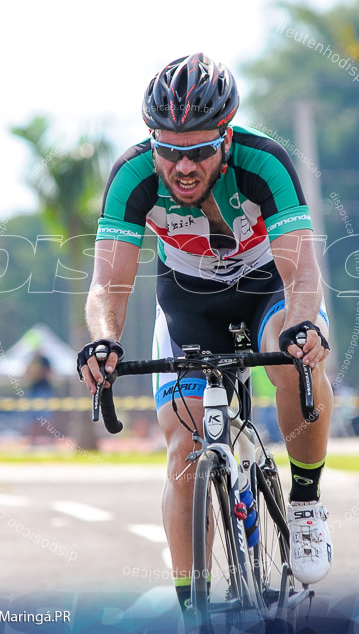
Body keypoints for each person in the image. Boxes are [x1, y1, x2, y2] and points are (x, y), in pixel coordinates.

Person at [77, 53, 335, 612]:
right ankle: (193, 610)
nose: (182, 165)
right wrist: (103, 342)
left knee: (292, 361)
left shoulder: (265, 162)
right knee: (184, 451)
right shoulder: (133, 175)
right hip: (188, 303)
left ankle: (307, 505)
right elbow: (108, 286)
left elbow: (303, 272)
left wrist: (303, 328)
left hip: (267, 286)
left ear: (226, 136)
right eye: (168, 149)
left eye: (197, 150)